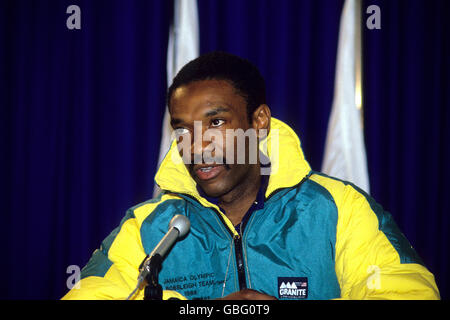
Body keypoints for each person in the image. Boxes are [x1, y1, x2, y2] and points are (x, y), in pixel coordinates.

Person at [62, 51, 440, 300]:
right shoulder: (150, 227)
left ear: (259, 121)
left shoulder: (339, 208)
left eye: (217, 122)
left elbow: (409, 292)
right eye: (182, 130)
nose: (196, 146)